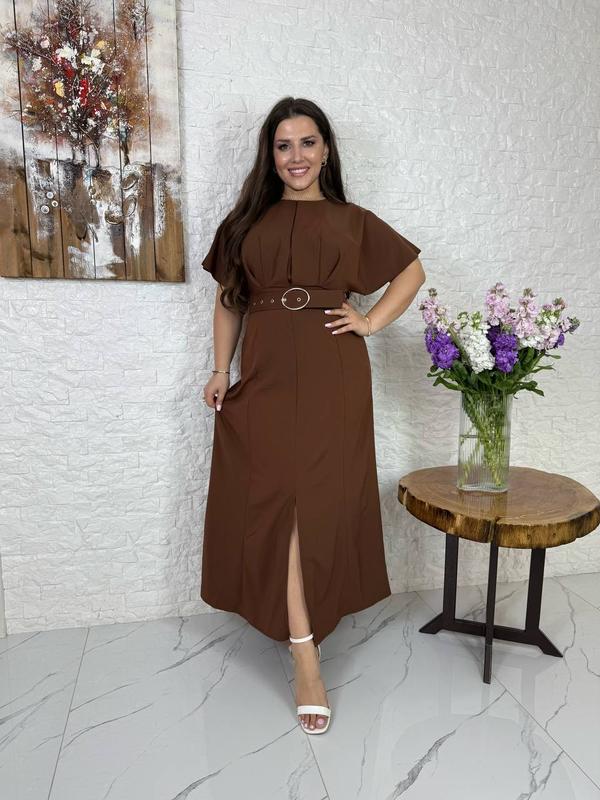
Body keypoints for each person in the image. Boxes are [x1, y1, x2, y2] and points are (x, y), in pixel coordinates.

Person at [201, 97, 426, 735]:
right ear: (270, 156)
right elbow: (229, 300)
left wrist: (370, 321)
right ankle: (301, 636)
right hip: (266, 373)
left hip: (333, 373)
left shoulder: (354, 221)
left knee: (313, 500)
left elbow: (411, 272)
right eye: (283, 145)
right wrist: (221, 370)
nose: (295, 156)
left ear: (326, 150)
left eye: (307, 143)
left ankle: (305, 654)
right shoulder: (246, 222)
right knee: (273, 497)